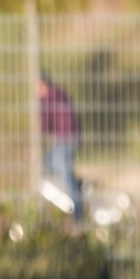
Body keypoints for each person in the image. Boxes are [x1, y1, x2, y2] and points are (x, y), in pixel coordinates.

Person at [38, 72, 82, 220]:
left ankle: (78, 216)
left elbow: (44, 121)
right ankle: (76, 186)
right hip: (66, 139)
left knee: (64, 176)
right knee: (47, 164)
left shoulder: (50, 97)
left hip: (66, 140)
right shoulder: (58, 93)